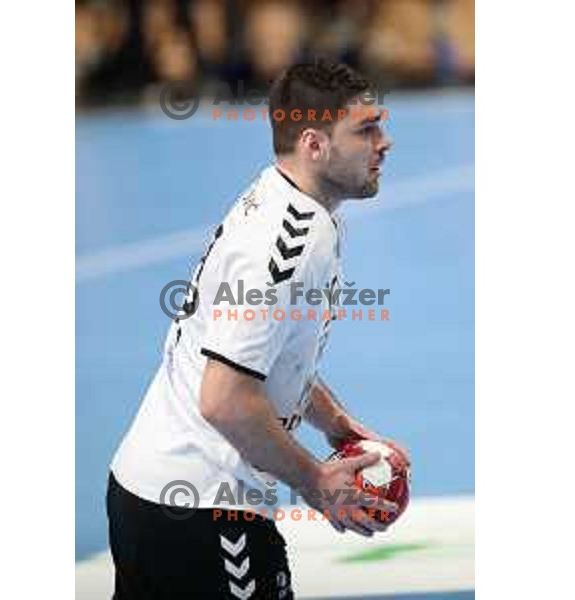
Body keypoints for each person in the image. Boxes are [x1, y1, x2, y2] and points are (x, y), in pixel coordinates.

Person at [107, 58, 405, 599]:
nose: (384, 142)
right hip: (202, 514)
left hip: (150, 496)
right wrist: (316, 482)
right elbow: (224, 399)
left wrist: (336, 424)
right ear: (314, 145)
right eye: (366, 129)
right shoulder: (288, 245)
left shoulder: (289, 201)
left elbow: (263, 358)